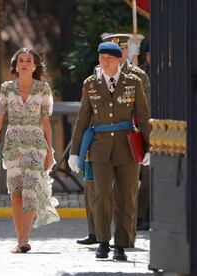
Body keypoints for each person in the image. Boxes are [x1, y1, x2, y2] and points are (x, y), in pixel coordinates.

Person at [68, 42, 150, 261]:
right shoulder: (91, 84)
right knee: (102, 194)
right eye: (102, 58)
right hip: (100, 149)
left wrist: (149, 146)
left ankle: (121, 245)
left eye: (110, 58)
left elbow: (142, 115)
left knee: (125, 197)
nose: (105, 62)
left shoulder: (133, 82)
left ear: (119, 60)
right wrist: (74, 152)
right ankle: (103, 242)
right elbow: (82, 119)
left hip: (127, 148)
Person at [0, 48, 60, 253]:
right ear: (16, 66)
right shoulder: (6, 88)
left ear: (35, 66)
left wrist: (51, 151)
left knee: (30, 193)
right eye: (21, 60)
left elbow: (46, 121)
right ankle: (20, 239)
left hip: (36, 145)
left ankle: (24, 240)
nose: (25, 63)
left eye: (29, 60)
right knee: (17, 195)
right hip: (13, 145)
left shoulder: (43, 88)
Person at [103, 34, 151, 244]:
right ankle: (107, 235)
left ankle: (127, 235)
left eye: (121, 51)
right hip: (105, 139)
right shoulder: (98, 74)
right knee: (107, 191)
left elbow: (143, 110)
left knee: (129, 191)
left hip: (133, 136)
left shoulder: (138, 76)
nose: (118, 55)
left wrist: (148, 141)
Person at [137, 41, 151, 231]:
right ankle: (139, 215)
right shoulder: (139, 73)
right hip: (140, 126)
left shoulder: (170, 71)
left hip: (164, 126)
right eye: (148, 53)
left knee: (150, 174)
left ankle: (145, 214)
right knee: (138, 174)